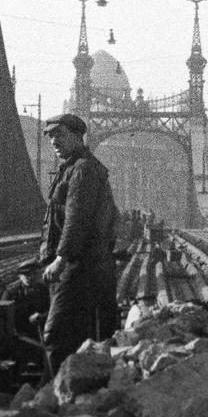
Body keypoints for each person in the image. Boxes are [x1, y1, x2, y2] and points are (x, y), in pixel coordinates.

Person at [37, 113, 118, 374]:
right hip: (88, 266)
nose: (53, 142)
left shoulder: (81, 169)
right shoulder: (76, 167)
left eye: (59, 135)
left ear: (76, 135)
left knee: (56, 336)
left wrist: (61, 259)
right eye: (50, 137)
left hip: (77, 267)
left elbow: (76, 219)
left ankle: (58, 397)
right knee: (80, 335)